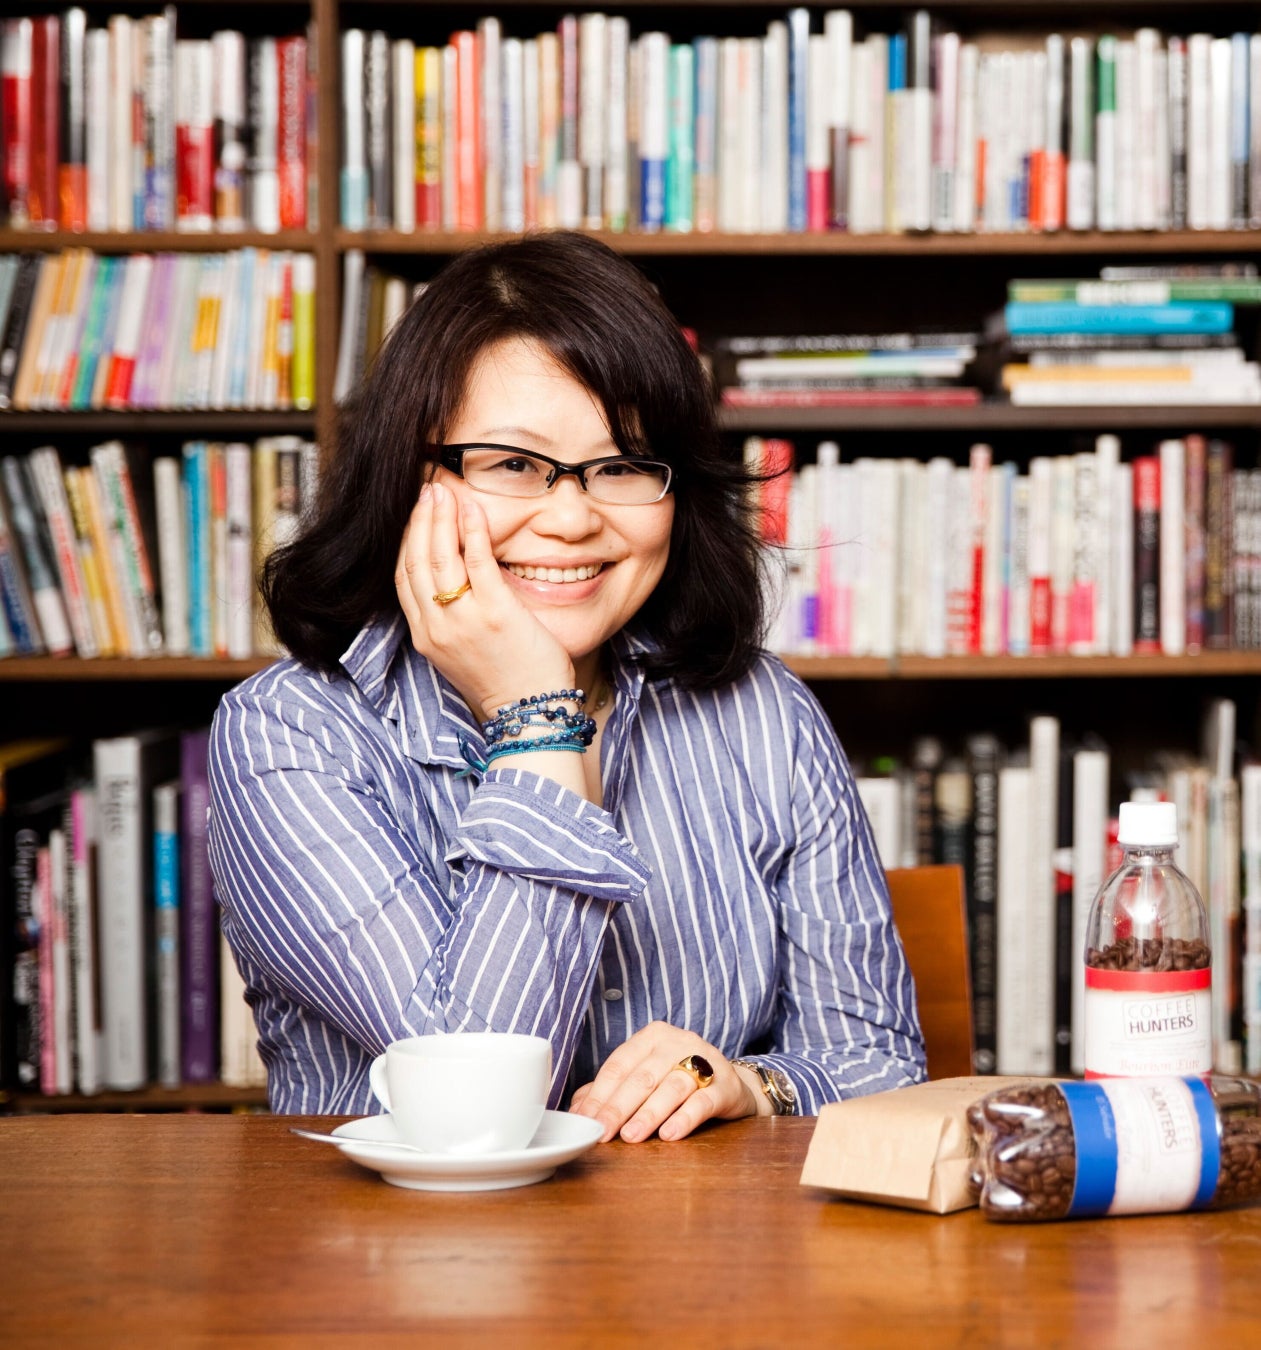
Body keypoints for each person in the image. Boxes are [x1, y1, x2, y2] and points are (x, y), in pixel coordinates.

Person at [208, 231, 925, 1140]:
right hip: (398, 1232)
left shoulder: (764, 714)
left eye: (621, 466)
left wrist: (752, 1086)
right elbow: (473, 1112)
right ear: (410, 476)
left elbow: (880, 1062)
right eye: (514, 464)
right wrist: (538, 720)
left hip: (697, 1230)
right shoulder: (287, 734)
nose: (573, 518)